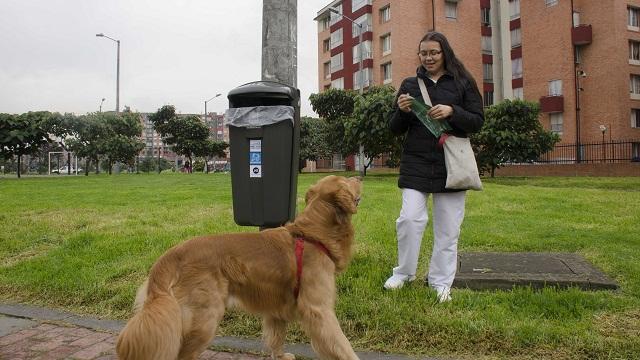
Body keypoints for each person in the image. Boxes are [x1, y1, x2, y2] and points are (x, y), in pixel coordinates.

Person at [384, 31, 484, 302]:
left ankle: (440, 282)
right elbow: (394, 129)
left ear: (444, 54)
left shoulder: (463, 82)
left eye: (434, 53)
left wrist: (453, 111)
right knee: (409, 220)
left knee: (448, 229)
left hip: (451, 164)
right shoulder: (410, 84)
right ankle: (403, 273)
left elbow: (477, 120)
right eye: (424, 53)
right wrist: (401, 111)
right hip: (416, 162)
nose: (428, 58)